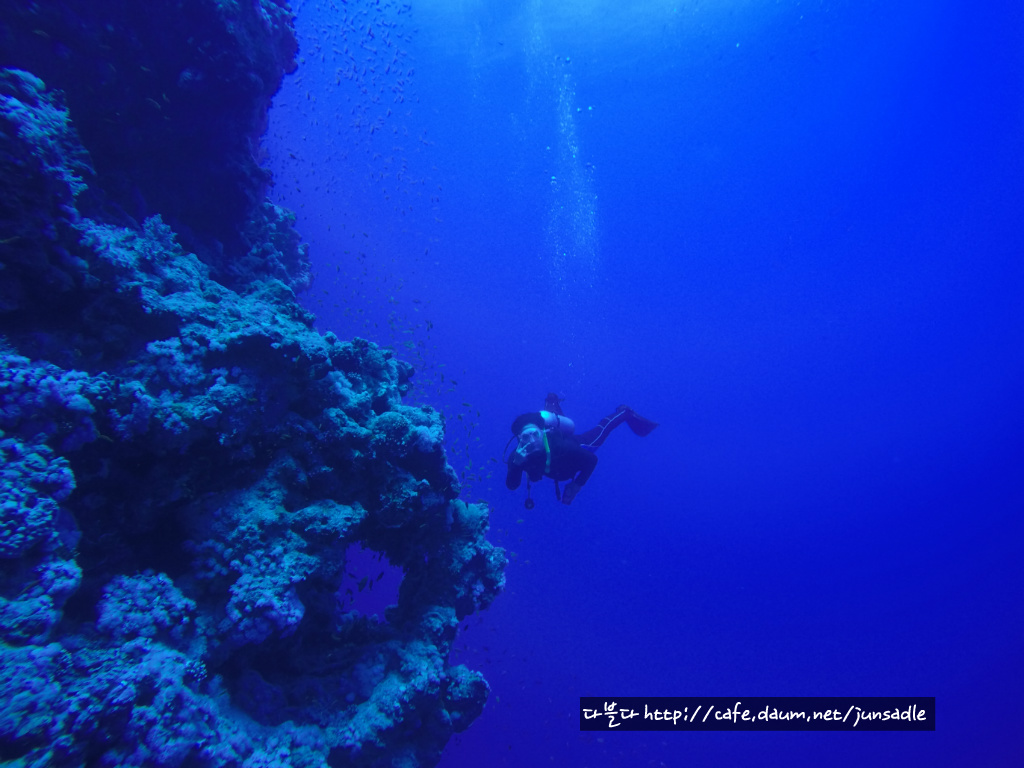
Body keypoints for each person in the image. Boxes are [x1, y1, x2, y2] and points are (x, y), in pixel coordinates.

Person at [505, 393, 659, 506]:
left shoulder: (563, 447)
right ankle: (552, 401)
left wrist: (577, 485)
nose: (531, 441)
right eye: (525, 437)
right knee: (555, 422)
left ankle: (624, 412)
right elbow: (512, 486)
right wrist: (516, 465)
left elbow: (592, 460)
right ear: (519, 439)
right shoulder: (517, 456)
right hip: (557, 458)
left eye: (535, 434)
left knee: (602, 430)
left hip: (578, 444)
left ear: (542, 432)